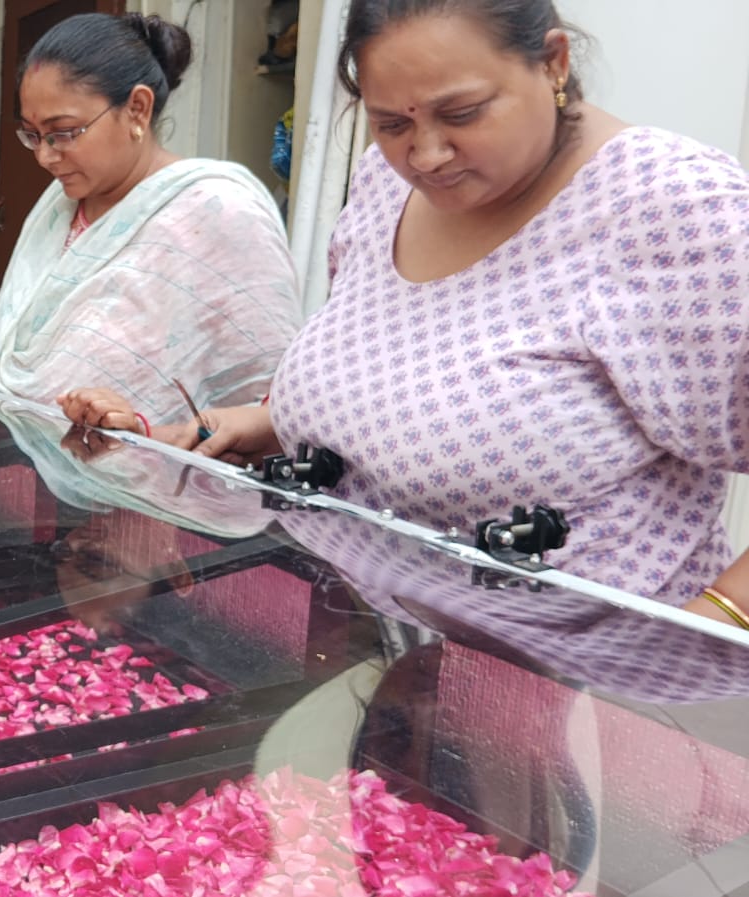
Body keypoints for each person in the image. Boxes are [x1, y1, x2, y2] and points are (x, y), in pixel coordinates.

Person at [176, 0, 749, 623]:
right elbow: (405, 366)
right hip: (391, 635)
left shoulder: (676, 207)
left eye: (463, 113)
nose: (425, 155)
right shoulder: (386, 183)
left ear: (553, 63)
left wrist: (716, 621)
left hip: (590, 673)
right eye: (391, 123)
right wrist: (272, 423)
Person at [0, 13, 301, 428]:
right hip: (42, 470)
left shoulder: (217, 212)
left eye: (63, 132)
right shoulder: (59, 208)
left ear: (137, 108)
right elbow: (55, 362)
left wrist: (143, 428)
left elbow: (271, 404)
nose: (45, 156)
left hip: (162, 486)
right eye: (32, 135)